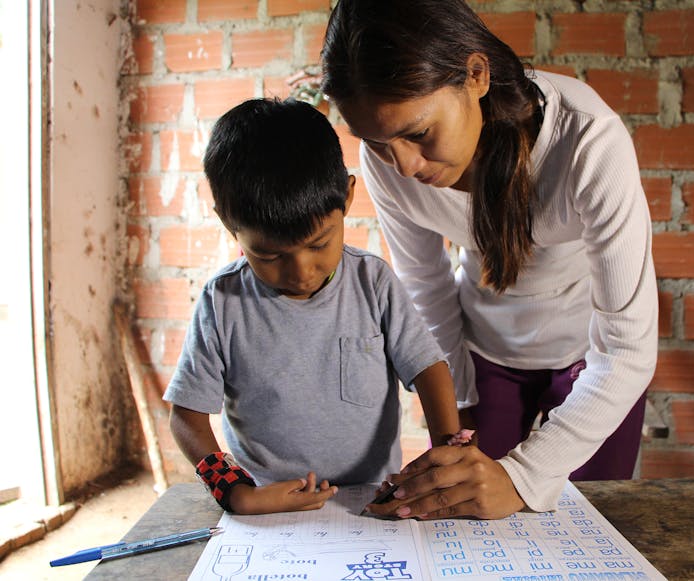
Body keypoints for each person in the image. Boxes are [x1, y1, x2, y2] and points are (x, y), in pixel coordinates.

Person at [320, 0, 658, 519]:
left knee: (592, 521)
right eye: (377, 142)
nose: (404, 166)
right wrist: (456, 393)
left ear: (476, 75)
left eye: (418, 133)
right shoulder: (388, 159)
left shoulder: (589, 141)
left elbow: (626, 350)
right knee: (475, 520)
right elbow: (426, 285)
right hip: (484, 353)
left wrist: (524, 475)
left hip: (593, 358)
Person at [163, 98, 461, 515]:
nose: (301, 271)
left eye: (319, 243)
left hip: (367, 499)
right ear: (228, 224)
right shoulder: (223, 302)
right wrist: (234, 492)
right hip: (268, 504)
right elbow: (186, 416)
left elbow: (429, 369)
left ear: (348, 196)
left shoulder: (372, 282)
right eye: (268, 256)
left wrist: (450, 450)